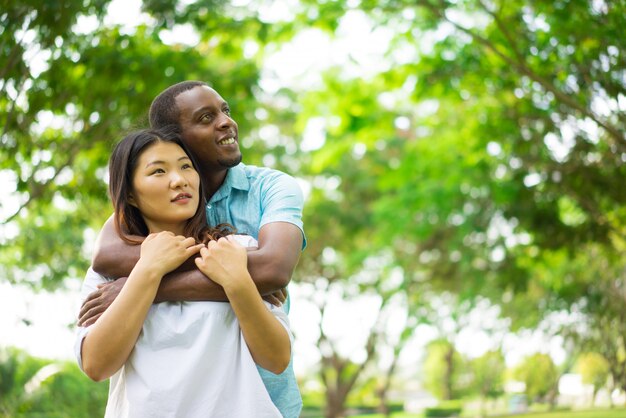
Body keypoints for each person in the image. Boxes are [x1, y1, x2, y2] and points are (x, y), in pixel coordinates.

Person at [78, 81, 305, 417]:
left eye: (185, 167)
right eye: (204, 117)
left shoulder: (243, 240)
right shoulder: (115, 265)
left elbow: (271, 274)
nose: (226, 122)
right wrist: (147, 272)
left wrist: (235, 280)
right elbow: (96, 365)